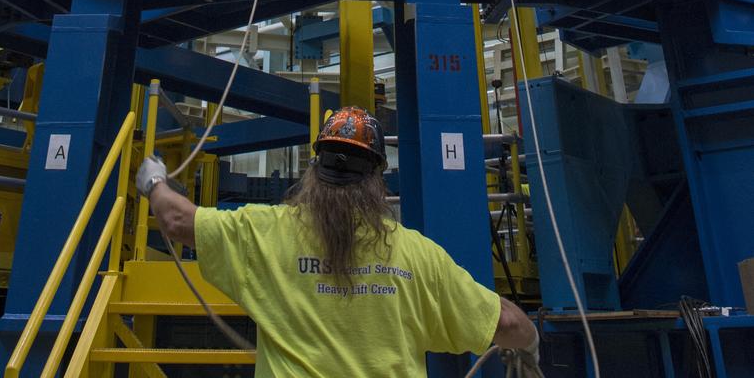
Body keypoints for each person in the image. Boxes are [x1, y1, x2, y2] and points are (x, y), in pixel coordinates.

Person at [138, 105, 542, 376]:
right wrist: (530, 344)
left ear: (314, 168)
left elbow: (176, 219)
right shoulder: (418, 255)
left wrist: (154, 179)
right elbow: (507, 322)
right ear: (377, 180)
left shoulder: (265, 232)